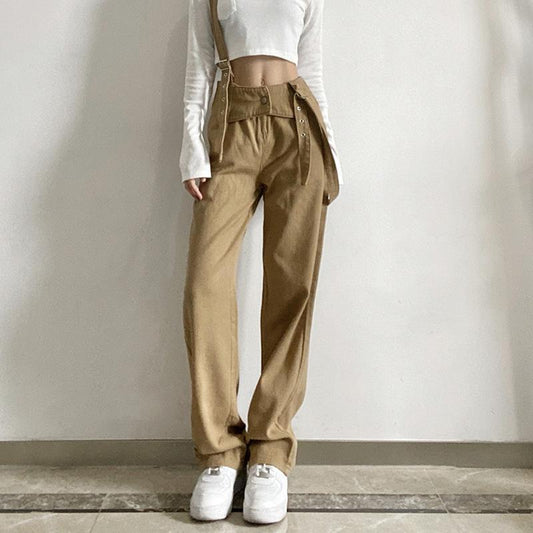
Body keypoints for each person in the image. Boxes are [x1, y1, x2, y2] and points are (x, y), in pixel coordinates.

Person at [179, 0, 343, 524]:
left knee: (292, 287)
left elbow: (312, 68)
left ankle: (270, 449)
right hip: (231, 124)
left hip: (299, 128)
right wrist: (192, 151)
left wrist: (330, 152)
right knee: (204, 286)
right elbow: (200, 68)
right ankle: (219, 453)